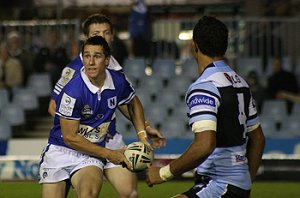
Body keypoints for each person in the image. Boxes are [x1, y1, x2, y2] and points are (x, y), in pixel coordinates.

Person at [48, 13, 166, 198]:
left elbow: (123, 101)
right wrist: (83, 130)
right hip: (80, 142)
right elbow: (54, 106)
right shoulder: (73, 71)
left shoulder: (114, 66)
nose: (103, 37)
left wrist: (144, 127)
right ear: (88, 37)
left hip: (110, 137)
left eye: (107, 32)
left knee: (130, 193)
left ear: (113, 35)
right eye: (97, 33)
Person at [146, 16, 265, 198]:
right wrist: (245, 180)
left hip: (220, 184)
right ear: (224, 47)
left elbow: (205, 144)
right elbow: (258, 139)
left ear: (195, 46)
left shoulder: (205, 86)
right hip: (235, 184)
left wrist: (163, 173)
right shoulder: (240, 82)